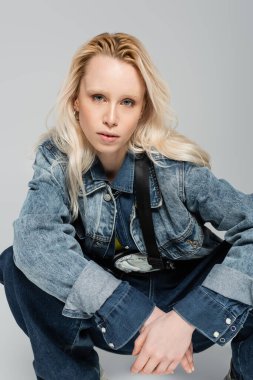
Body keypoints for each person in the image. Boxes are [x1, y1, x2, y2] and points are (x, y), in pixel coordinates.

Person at [0, 32, 252, 380]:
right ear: (76, 100)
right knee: (17, 261)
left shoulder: (176, 170)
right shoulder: (57, 161)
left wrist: (186, 318)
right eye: (98, 97)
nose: (111, 117)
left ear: (143, 108)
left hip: (188, 308)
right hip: (107, 312)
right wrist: (134, 311)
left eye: (128, 102)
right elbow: (35, 236)